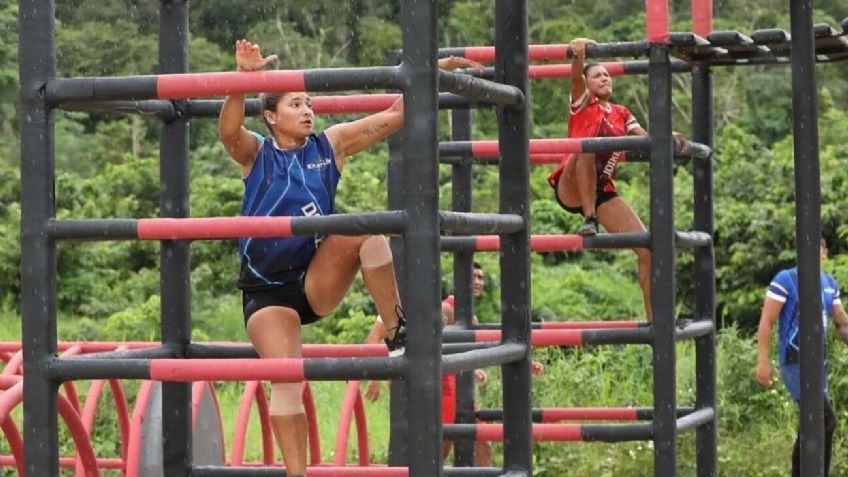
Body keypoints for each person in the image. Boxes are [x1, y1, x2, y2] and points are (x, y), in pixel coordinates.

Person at [219, 39, 483, 477]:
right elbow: (228, 132)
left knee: (366, 232)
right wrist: (242, 82)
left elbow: (395, 116)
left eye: (309, 103)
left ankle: (397, 334)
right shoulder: (257, 154)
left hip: (315, 279)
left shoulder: (330, 146)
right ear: (270, 116)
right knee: (287, 381)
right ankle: (297, 474)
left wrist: (428, 73)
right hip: (268, 295)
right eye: (295, 104)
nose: (307, 111)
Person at [546, 37, 687, 320]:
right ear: (587, 84)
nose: (605, 78)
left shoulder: (622, 112)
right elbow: (575, 77)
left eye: (607, 75)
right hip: (571, 185)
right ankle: (589, 219)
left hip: (602, 190)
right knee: (587, 146)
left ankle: (658, 320)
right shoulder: (582, 103)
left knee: (648, 250)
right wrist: (577, 54)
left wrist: (667, 137)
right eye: (597, 75)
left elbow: (646, 139)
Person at [364, 262, 542, 466]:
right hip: (432, 384)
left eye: (480, 277)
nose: (476, 282)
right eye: (471, 277)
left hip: (453, 384)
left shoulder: (463, 313)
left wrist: (481, 366)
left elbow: (471, 346)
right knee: (430, 451)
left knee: (473, 443)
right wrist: (375, 375)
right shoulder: (443, 308)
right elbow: (380, 338)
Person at [755, 238, 848, 477]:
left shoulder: (829, 283)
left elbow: (841, 322)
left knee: (812, 424)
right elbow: (767, 321)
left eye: (818, 246)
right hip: (795, 361)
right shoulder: (786, 279)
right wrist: (762, 362)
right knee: (826, 420)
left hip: (820, 364)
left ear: (824, 253)